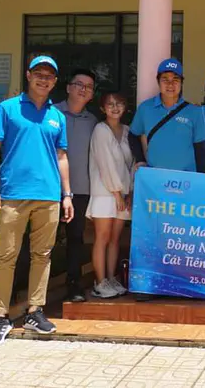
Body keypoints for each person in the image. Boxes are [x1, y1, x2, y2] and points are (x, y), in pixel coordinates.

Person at [0, 56, 73, 347]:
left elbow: (61, 156)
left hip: (48, 196)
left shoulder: (57, 116)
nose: (43, 79)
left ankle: (35, 311)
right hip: (12, 195)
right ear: (28, 75)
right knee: (6, 257)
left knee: (42, 256)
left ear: (55, 81)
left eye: (49, 75)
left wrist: (67, 194)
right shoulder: (7, 109)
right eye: (38, 73)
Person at [54, 68, 98, 303]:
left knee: (75, 240)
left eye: (89, 87)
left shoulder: (92, 121)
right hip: (50, 189)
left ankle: (74, 285)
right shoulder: (50, 114)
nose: (83, 89)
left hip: (81, 190)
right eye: (79, 84)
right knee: (44, 242)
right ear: (68, 87)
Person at [87, 92, 133, 299]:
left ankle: (111, 277)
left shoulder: (127, 131)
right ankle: (99, 282)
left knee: (115, 239)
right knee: (102, 237)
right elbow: (104, 163)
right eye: (110, 104)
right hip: (105, 193)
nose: (115, 108)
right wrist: (117, 194)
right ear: (103, 108)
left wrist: (128, 192)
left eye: (119, 103)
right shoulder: (100, 130)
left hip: (123, 193)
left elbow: (131, 165)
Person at [129, 58, 205, 173]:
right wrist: (140, 160)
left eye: (175, 79)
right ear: (158, 82)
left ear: (181, 83)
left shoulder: (194, 112)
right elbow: (133, 135)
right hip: (155, 178)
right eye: (165, 79)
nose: (170, 84)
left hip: (186, 180)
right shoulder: (145, 108)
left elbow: (199, 148)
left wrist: (202, 179)